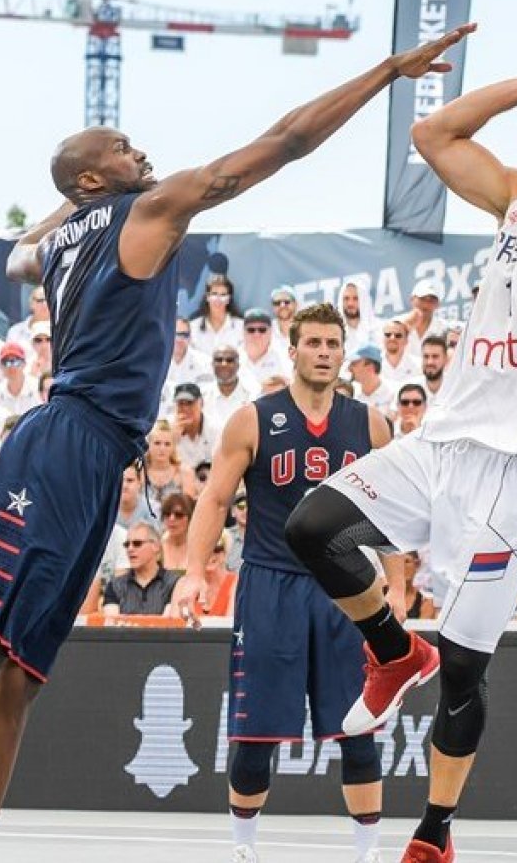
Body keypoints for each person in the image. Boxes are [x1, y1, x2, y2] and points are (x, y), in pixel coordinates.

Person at [0, 24, 472, 863]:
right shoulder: (151, 209)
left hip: (91, 453)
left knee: (19, 671)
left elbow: (22, 254)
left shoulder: (58, 239)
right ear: (99, 178)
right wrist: (387, 70)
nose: (143, 153)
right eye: (123, 149)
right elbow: (286, 142)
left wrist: (78, 196)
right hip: (65, 444)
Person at [281, 17, 517, 863]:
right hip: (443, 441)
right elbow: (433, 133)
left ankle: (435, 832)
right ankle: (389, 648)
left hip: (515, 474)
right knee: (311, 527)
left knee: (465, 666)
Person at [172, 303, 393, 863]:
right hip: (270, 583)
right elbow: (216, 499)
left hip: (346, 586)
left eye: (332, 343)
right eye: (312, 343)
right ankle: (244, 847)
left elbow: (393, 512)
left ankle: (368, 851)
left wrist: (398, 587)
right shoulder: (252, 417)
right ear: (291, 350)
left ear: (344, 352)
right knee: (254, 730)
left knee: (359, 725)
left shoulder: (370, 423)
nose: (323, 352)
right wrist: (194, 572)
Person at [100, 523, 178, 615]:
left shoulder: (174, 583)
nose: (130, 549)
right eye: (127, 544)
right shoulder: (114, 586)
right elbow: (112, 624)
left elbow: (168, 625)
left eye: (137, 543)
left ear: (156, 546)